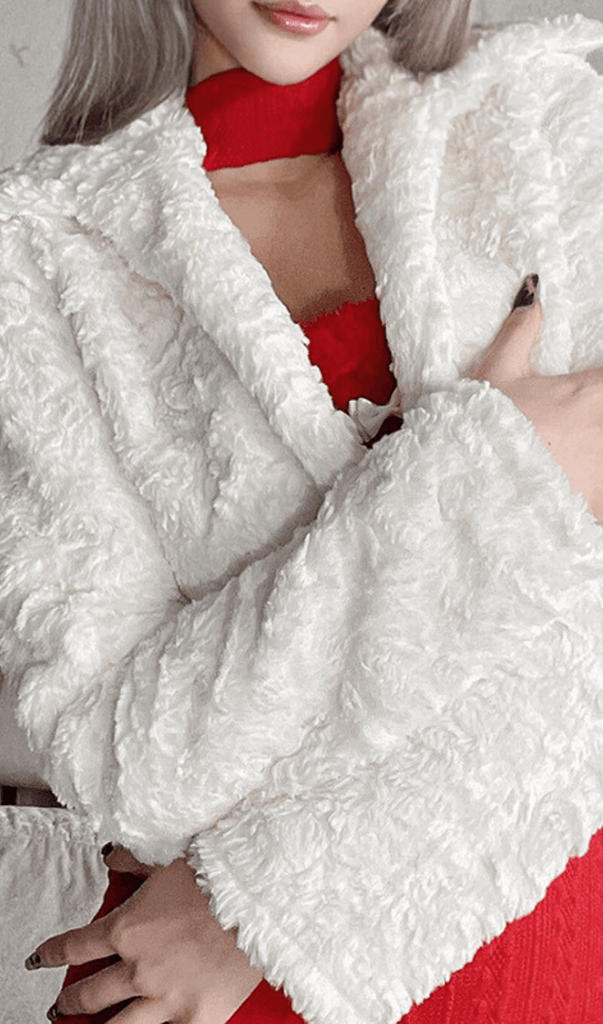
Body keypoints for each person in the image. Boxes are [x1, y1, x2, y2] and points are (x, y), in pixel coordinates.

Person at [2, 0, 603, 1021]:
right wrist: (490, 475)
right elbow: (127, 762)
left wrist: (256, 905)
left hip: (513, 946)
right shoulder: (37, 249)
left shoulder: (539, 126)